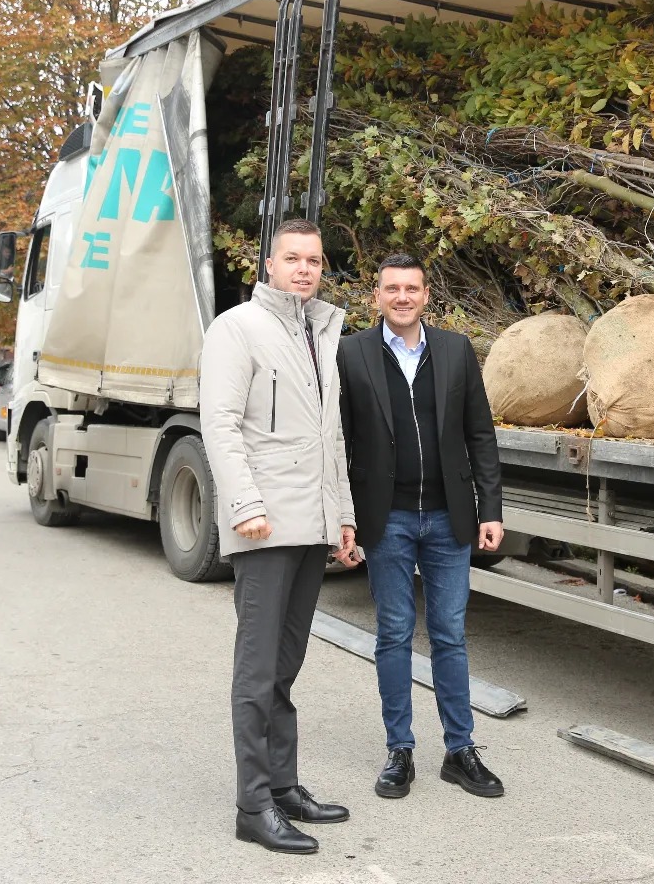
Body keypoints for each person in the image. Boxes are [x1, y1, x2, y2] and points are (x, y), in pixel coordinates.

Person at [199, 218, 357, 855]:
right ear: (269, 264)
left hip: (311, 523)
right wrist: (243, 504)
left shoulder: (322, 332)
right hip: (264, 521)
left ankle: (284, 786)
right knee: (257, 668)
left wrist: (343, 516)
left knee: (286, 665)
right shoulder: (237, 328)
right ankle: (253, 804)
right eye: (292, 259)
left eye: (313, 261)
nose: (304, 269)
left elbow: (331, 437)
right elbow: (220, 422)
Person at [337, 252, 506, 800]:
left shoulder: (455, 350)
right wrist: (343, 518)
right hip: (385, 519)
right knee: (393, 632)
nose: (402, 297)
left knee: (449, 634)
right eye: (392, 288)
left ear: (427, 295)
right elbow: (339, 441)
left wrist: (490, 509)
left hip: (448, 517)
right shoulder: (352, 352)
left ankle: (461, 750)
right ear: (377, 296)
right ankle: (399, 750)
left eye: (412, 288)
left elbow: (480, 434)